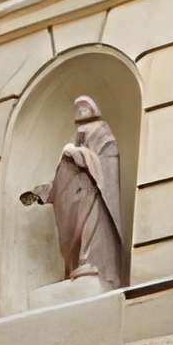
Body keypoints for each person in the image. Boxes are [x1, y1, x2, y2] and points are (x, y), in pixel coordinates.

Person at [22, 95, 125, 288]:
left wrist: (80, 154)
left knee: (92, 226)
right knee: (76, 231)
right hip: (75, 195)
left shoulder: (101, 130)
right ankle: (79, 263)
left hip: (93, 191)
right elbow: (63, 174)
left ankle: (90, 261)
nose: (81, 111)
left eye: (85, 107)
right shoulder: (77, 135)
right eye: (79, 108)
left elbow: (106, 159)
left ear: (94, 110)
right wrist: (44, 193)